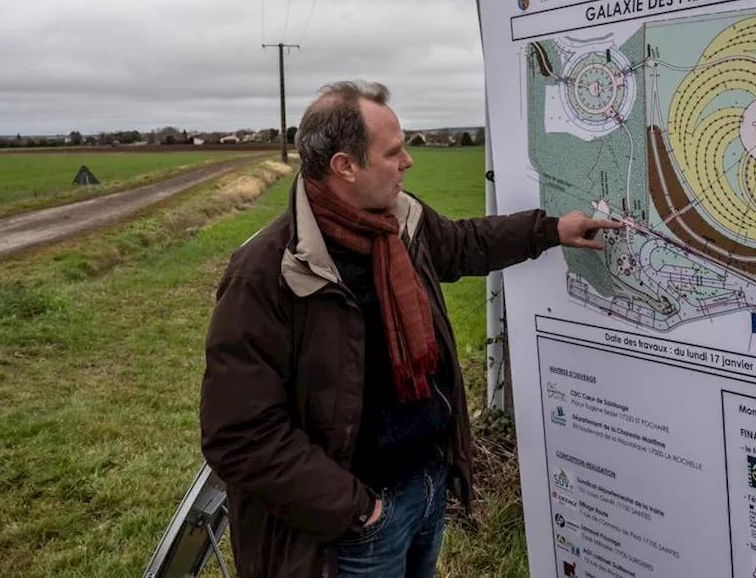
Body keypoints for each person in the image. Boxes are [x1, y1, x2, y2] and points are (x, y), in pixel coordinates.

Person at [199, 80, 622, 578]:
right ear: (345, 166)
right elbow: (240, 434)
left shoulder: (400, 221)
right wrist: (358, 511)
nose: (409, 162)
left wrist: (549, 231)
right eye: (394, 151)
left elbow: (464, 244)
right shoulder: (268, 273)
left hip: (425, 485)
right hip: (351, 529)